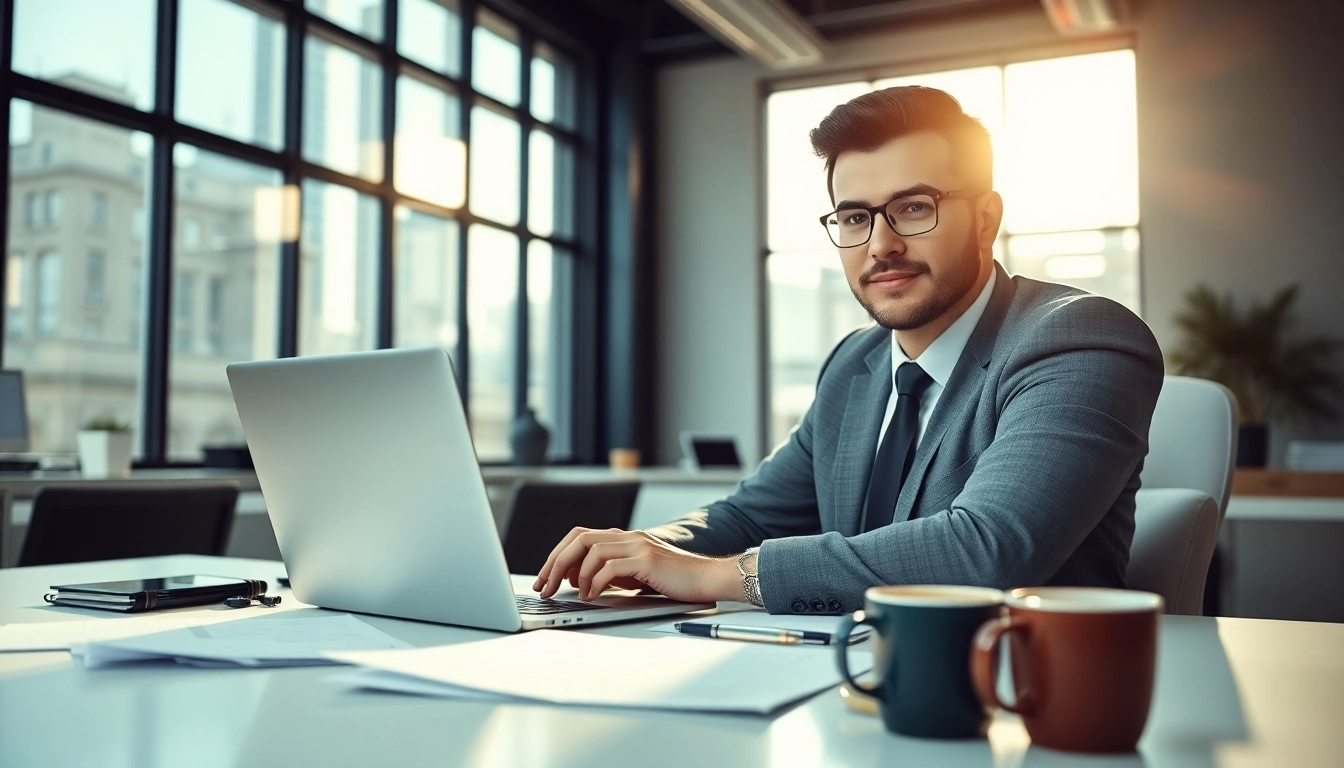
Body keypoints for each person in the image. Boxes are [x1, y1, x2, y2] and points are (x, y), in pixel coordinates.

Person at [532, 86, 1164, 614]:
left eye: (914, 207)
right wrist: (640, 549)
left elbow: (989, 549)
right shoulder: (854, 365)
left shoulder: (1080, 338)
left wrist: (714, 577)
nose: (880, 244)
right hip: (843, 682)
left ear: (985, 219)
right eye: (855, 217)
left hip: (1019, 698)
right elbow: (751, 514)